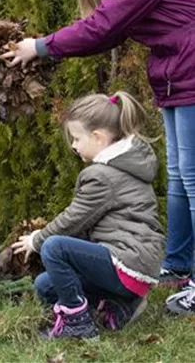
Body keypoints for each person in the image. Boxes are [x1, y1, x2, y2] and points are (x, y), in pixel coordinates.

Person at [2, 0, 195, 315]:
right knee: (181, 176)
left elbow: (103, 27)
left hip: (191, 68)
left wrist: (40, 46)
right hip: (176, 72)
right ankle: (180, 267)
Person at [13, 91, 164, 340]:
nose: (73, 146)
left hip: (126, 261)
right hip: (136, 268)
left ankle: (77, 322)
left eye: (76, 138)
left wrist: (37, 239)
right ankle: (122, 306)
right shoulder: (124, 166)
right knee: (45, 285)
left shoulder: (103, 176)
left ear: (97, 137)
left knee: (54, 247)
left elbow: (73, 220)